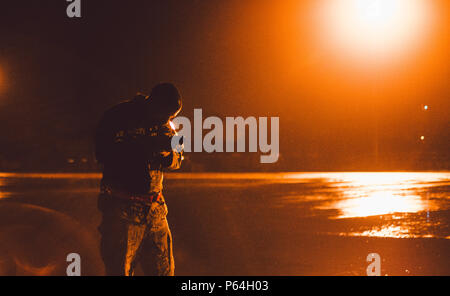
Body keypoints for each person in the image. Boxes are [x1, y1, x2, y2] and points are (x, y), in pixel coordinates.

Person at [95, 83, 183, 276]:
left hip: (155, 210)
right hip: (122, 209)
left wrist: (168, 155)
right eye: (165, 115)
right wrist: (140, 148)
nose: (166, 120)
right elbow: (102, 153)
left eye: (171, 117)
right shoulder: (118, 116)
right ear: (152, 103)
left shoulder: (164, 123)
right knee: (120, 271)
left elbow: (178, 156)